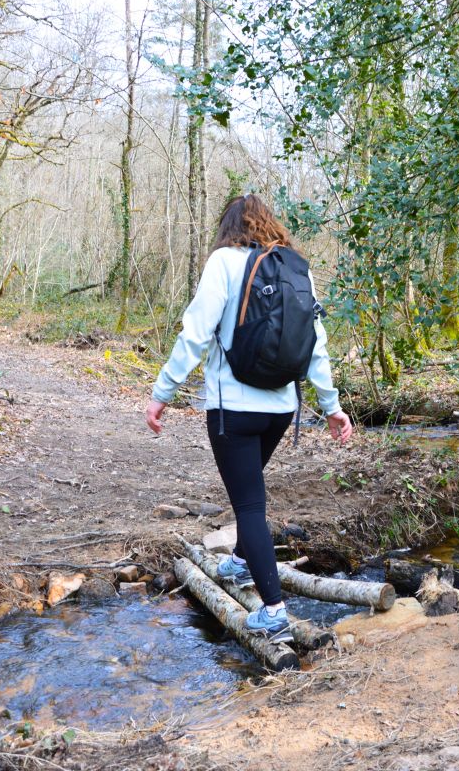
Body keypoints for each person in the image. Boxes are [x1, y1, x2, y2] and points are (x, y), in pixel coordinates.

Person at [145, 194, 353, 642]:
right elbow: (316, 344)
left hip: (232, 410)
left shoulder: (223, 262)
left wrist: (162, 393)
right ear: (269, 224)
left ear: (229, 226)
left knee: (249, 505)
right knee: (249, 490)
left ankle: (274, 611)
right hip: (280, 408)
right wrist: (331, 406)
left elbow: (195, 334)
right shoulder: (297, 267)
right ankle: (241, 562)